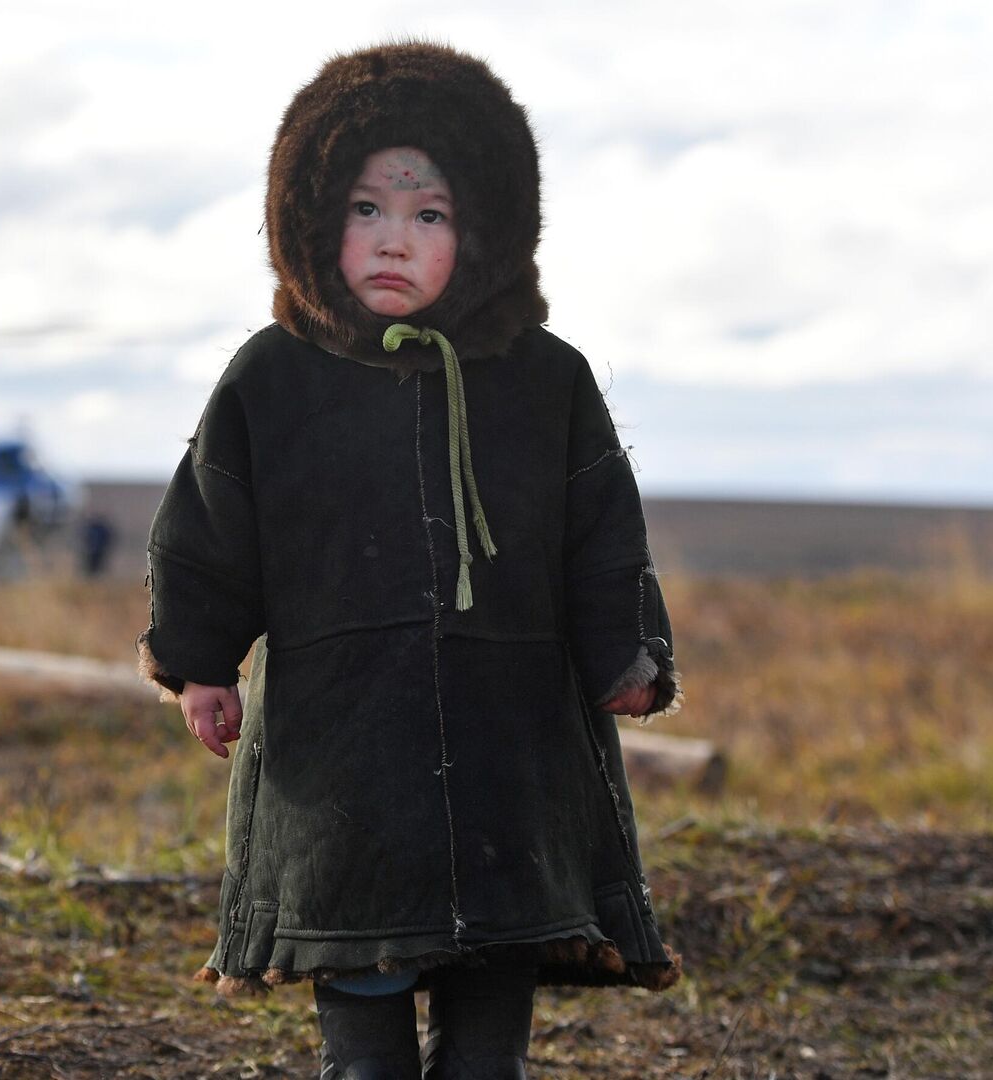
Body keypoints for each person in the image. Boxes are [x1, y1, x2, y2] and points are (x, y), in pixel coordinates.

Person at [135, 42, 683, 1079]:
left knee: (488, 1032)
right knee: (367, 1041)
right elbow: (210, 523)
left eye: (428, 215)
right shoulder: (272, 378)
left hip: (510, 746)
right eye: (365, 211)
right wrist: (201, 662)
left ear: (483, 232)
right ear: (309, 218)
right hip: (346, 761)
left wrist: (630, 651)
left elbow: (603, 527)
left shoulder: (546, 380)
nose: (395, 240)